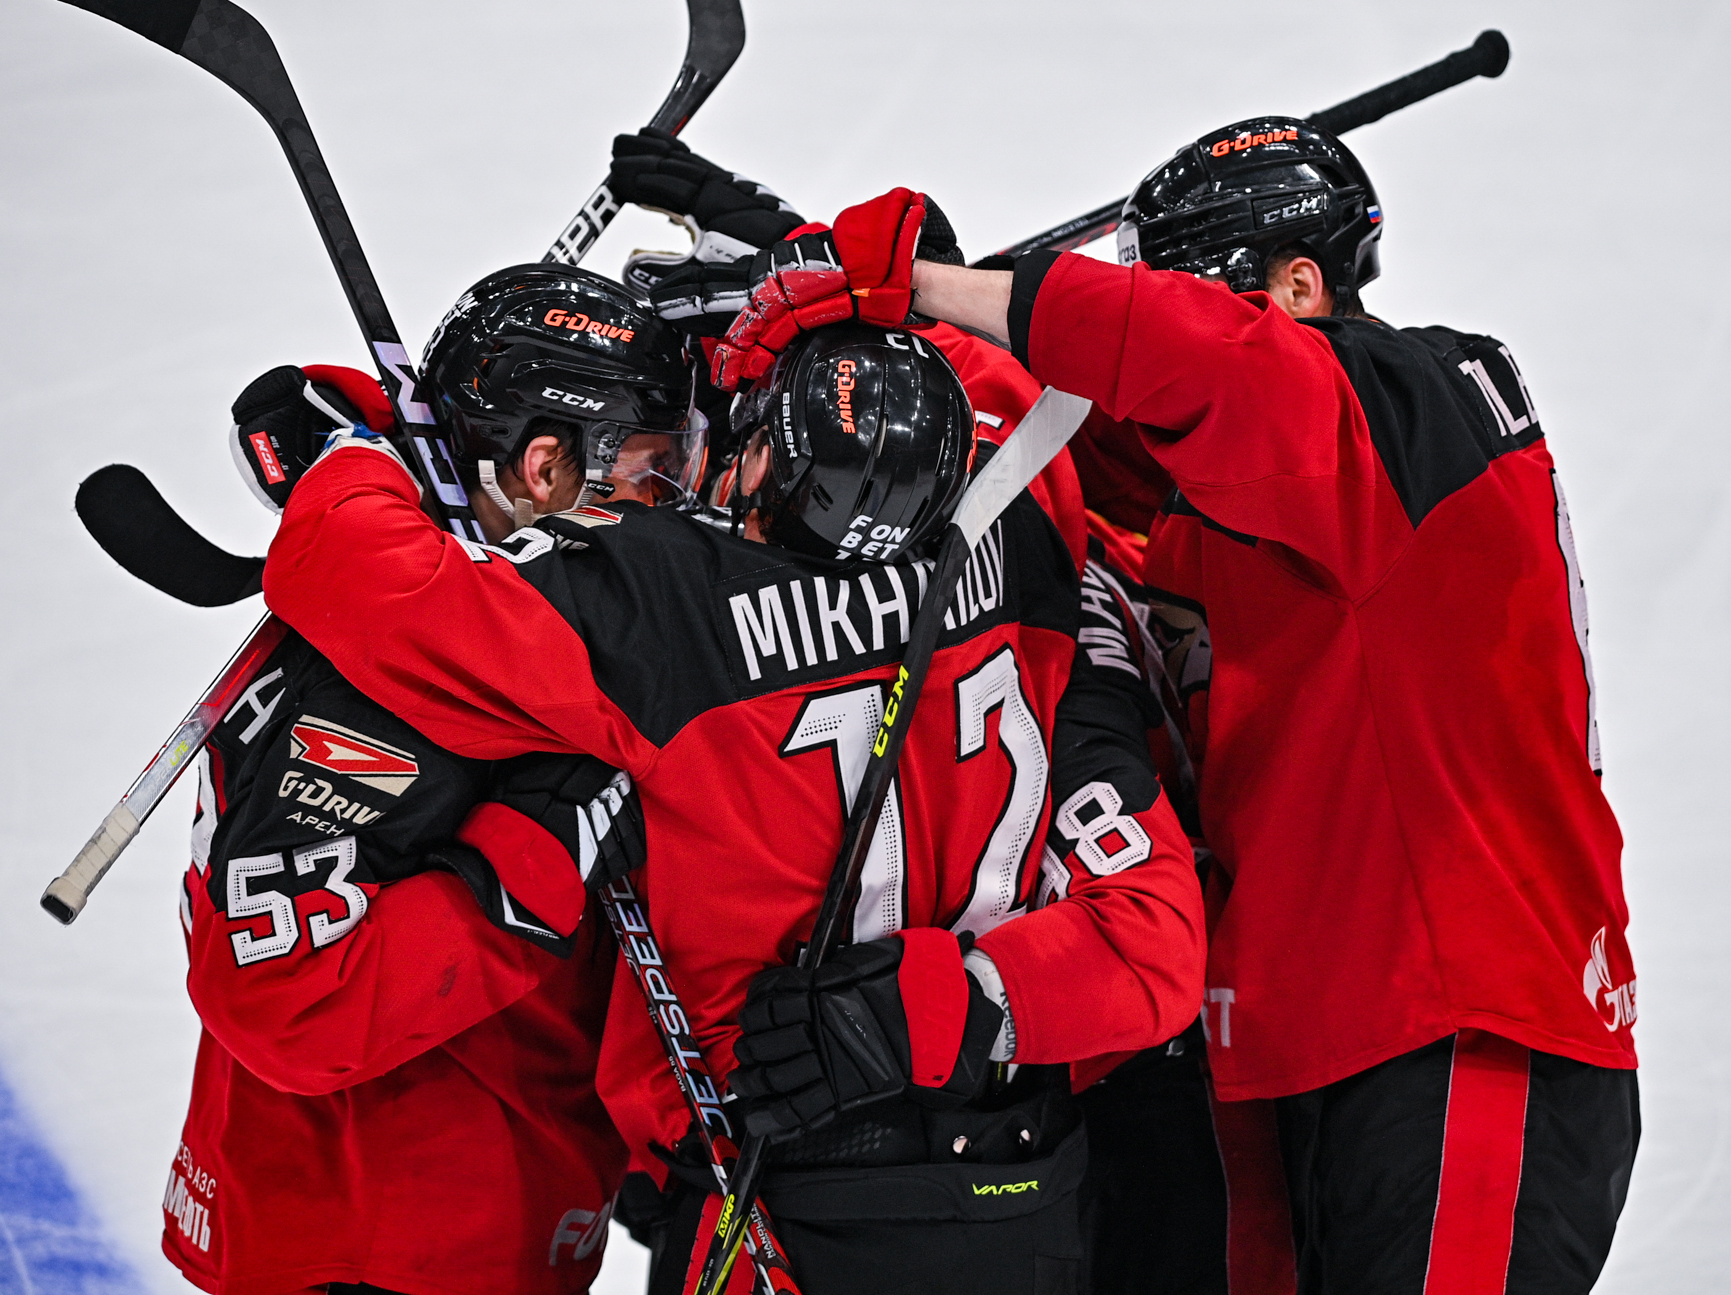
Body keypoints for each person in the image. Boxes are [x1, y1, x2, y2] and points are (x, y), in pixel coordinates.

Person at [710, 121, 1641, 1295]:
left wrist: (924, 282)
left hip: (1462, 1031)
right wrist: (805, 283)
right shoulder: (1234, 495)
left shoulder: (1410, 404)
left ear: (1297, 287)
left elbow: (1190, 361)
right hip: (1327, 1049)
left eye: (1192, 296)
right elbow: (1035, 421)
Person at [257, 195, 1206, 1295]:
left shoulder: (661, 600)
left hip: (780, 1194)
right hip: (1027, 1191)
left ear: (760, 465)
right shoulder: (1029, 518)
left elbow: (368, 584)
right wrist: (829, 292)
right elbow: (977, 385)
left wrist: (354, 453)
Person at [165, 265, 696, 1295]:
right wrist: (533, 855)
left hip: (460, 1194)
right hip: (376, 1232)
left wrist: (353, 460)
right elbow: (283, 1002)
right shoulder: (418, 681)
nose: (672, 501)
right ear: (545, 467)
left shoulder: (427, 579)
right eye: (649, 468)